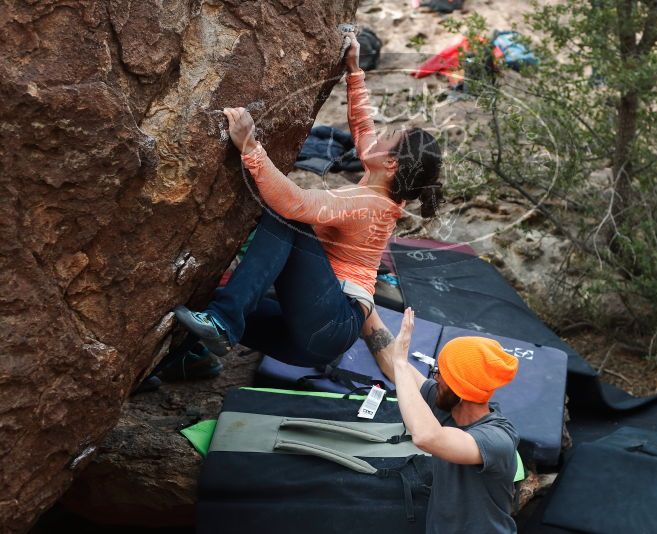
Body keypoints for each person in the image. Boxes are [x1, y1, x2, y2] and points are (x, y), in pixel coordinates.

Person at [172, 33, 442, 370]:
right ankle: (187, 360)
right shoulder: (383, 189)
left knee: (289, 220)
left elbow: (295, 204)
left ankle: (224, 323)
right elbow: (362, 129)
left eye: (387, 138)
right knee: (206, 296)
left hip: (330, 323)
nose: (377, 135)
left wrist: (251, 148)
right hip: (309, 335)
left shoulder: (368, 205)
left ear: (391, 164)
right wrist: (354, 72)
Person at [376, 308, 520, 534]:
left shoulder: (497, 439)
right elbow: (391, 364)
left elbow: (427, 437)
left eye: (439, 373)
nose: (434, 377)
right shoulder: (448, 406)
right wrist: (365, 308)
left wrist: (402, 364)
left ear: (460, 391)